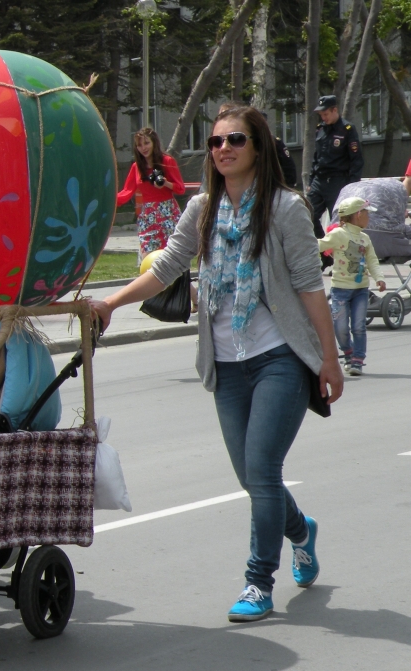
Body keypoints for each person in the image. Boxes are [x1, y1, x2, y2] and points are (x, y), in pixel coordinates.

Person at [90, 106, 344, 623]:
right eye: (215, 142)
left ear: (258, 147)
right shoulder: (202, 209)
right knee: (254, 478)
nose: (223, 148)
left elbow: (308, 287)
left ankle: (257, 582)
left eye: (235, 139)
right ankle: (301, 531)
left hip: (279, 359)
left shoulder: (284, 209)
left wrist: (329, 358)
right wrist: (110, 304)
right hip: (226, 365)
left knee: (263, 470)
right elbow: (166, 267)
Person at [318, 196, 386, 376]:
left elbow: (372, 260)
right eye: (366, 214)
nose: (368, 217)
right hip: (340, 289)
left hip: (361, 290)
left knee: (358, 326)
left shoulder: (365, 238)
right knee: (340, 327)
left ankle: (357, 359)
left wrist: (379, 278)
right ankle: (348, 351)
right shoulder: (339, 234)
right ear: (358, 215)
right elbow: (319, 245)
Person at [116, 128, 186, 260]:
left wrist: (165, 183)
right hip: (148, 216)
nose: (143, 148)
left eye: (146, 143)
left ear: (154, 142)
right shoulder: (136, 167)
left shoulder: (167, 161)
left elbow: (180, 188)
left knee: (171, 256)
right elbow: (126, 192)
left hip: (168, 214)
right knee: (147, 257)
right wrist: (109, 200)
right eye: (139, 145)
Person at [307, 94, 363, 238]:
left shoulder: (347, 129)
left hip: (337, 182)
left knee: (339, 222)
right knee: (307, 215)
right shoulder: (320, 129)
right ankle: (324, 251)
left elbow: (356, 160)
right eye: (321, 115)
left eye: (325, 114)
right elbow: (316, 157)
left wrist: (352, 186)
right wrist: (310, 181)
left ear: (334, 110)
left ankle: (340, 256)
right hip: (319, 181)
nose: (323, 118)